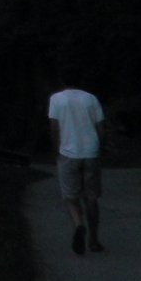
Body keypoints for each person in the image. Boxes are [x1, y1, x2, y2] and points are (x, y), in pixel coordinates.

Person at [48, 77, 106, 255]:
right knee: (92, 197)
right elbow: (101, 128)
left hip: (68, 153)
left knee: (70, 196)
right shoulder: (91, 99)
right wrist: (99, 148)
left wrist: (56, 148)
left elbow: (54, 127)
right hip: (90, 153)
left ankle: (79, 224)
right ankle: (94, 240)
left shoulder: (56, 99)